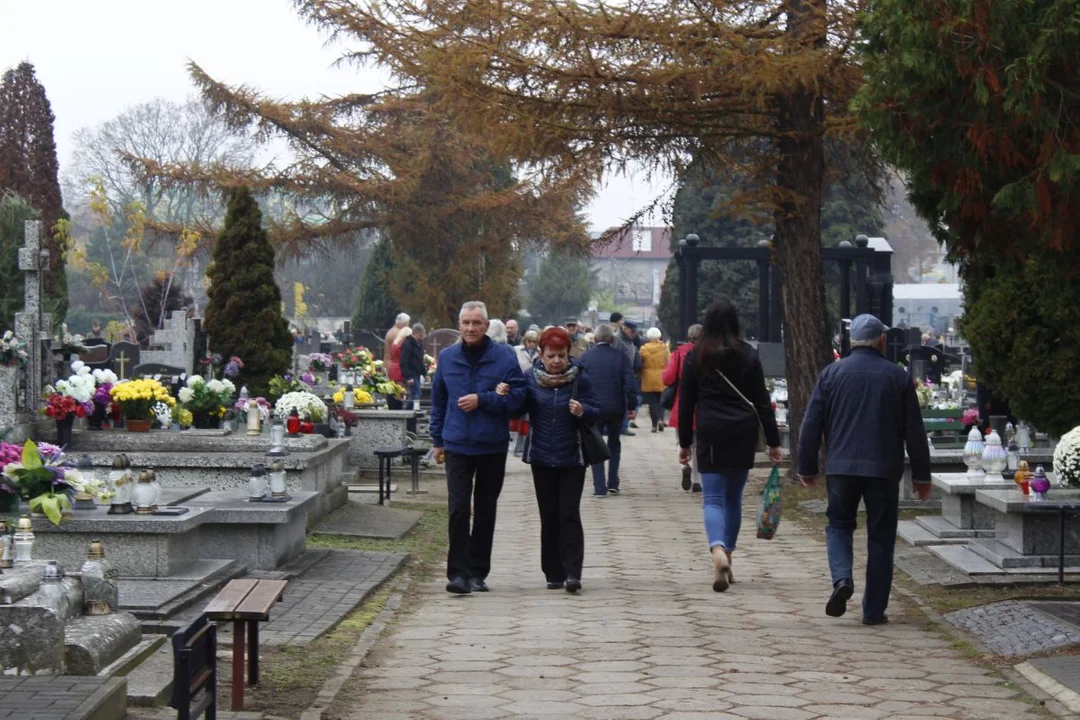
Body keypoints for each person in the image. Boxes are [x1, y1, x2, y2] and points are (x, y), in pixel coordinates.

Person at [797, 314, 931, 625]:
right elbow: (914, 430)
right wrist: (922, 476)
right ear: (881, 340)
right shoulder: (897, 377)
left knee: (839, 525)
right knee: (881, 536)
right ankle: (873, 610)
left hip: (841, 466)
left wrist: (806, 467)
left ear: (851, 341)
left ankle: (842, 578)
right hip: (883, 469)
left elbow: (811, 425)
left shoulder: (831, 374)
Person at [678, 300, 783, 592]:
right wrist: (774, 442)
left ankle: (717, 550)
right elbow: (762, 401)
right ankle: (730, 558)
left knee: (712, 498)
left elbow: (686, 404)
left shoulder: (696, 356)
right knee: (733, 498)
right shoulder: (748, 354)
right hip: (742, 431)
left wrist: (684, 442)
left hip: (710, 431)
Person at [430, 301, 527, 595]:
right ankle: (458, 574)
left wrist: (484, 400)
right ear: (459, 325)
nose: (470, 328)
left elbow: (519, 400)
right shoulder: (447, 359)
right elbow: (439, 402)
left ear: (486, 326)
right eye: (466, 323)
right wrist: (437, 441)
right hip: (457, 443)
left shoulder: (504, 358)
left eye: (476, 323)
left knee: (485, 511)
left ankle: (477, 572)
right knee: (459, 508)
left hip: (491, 446)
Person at [502, 327, 600, 593]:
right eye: (551, 355)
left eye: (561, 355)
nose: (556, 361)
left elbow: (597, 409)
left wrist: (583, 409)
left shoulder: (580, 379)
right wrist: (505, 393)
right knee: (549, 515)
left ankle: (572, 572)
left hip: (572, 457)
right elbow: (515, 409)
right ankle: (553, 572)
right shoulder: (529, 379)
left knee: (569, 513)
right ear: (541, 355)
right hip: (542, 457)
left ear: (569, 354)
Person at [578, 324, 637, 497]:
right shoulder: (621, 357)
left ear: (595, 339)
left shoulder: (586, 358)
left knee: (595, 444)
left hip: (593, 408)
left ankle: (599, 487)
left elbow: (579, 384)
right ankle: (613, 482)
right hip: (615, 407)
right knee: (614, 442)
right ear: (612, 339)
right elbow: (630, 383)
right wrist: (631, 406)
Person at [663, 323, 703, 492]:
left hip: (683, 402)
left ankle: (684, 464)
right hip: (703, 404)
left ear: (688, 337)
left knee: (683, 440)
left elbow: (667, 378)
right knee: (700, 444)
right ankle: (697, 481)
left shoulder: (679, 353)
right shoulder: (708, 353)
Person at [639, 327, 670, 433]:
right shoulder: (665, 348)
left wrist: (639, 374)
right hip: (662, 377)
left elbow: (640, 363)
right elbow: (669, 362)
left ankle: (654, 425)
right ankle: (661, 419)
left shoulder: (643, 349)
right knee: (661, 401)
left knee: (652, 403)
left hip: (648, 377)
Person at [400, 323, 427, 405]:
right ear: (415, 333)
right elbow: (404, 361)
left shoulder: (419, 343)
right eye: (420, 335)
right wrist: (408, 377)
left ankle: (410, 412)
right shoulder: (408, 344)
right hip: (411, 374)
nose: (421, 338)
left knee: (415, 395)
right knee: (416, 395)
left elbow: (419, 360)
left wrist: (424, 373)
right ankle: (410, 412)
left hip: (417, 373)